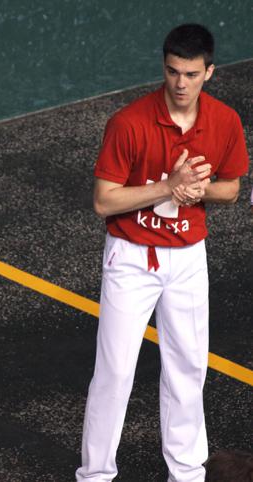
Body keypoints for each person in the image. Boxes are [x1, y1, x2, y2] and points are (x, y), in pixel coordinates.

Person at [76, 24, 249, 482]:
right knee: (114, 371)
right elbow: (104, 201)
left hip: (188, 258)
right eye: (173, 72)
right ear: (164, 68)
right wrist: (168, 187)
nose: (180, 83)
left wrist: (198, 190)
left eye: (191, 74)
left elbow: (231, 188)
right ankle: (95, 475)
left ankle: (187, 472)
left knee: (188, 367)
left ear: (209, 72)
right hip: (132, 258)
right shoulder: (128, 123)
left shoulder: (225, 122)